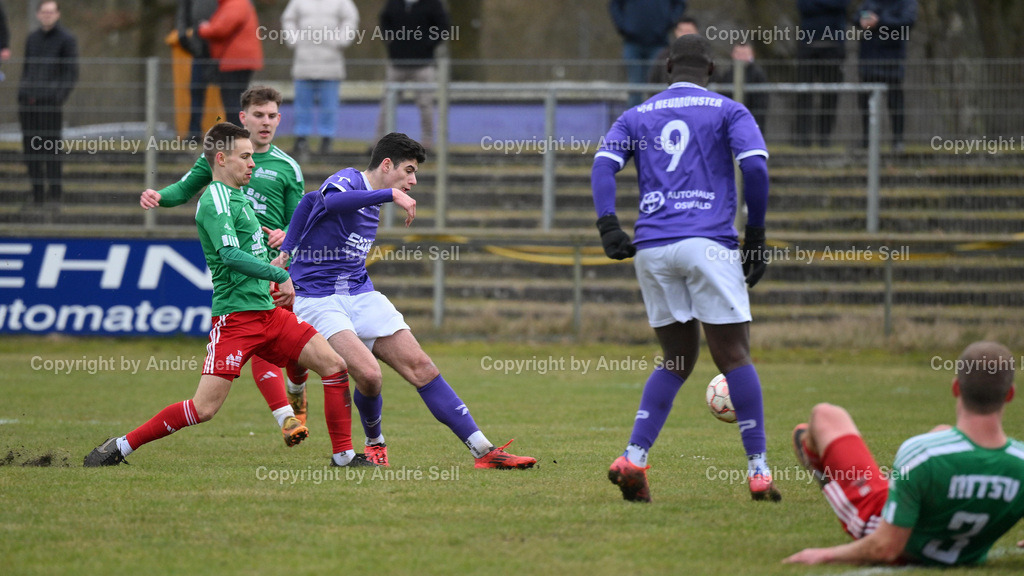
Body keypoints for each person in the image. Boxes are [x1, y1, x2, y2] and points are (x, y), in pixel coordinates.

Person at [85, 123, 372, 469]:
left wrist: (274, 264)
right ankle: (119, 446)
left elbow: (249, 251)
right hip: (236, 320)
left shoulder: (239, 197)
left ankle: (343, 456)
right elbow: (229, 256)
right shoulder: (215, 198)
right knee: (203, 409)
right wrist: (280, 274)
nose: (253, 163)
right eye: (246, 157)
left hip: (269, 314)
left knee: (335, 365)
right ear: (221, 159)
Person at [273, 132, 537, 470]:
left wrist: (286, 251)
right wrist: (390, 193)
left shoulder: (372, 200)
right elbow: (328, 201)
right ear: (387, 165)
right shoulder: (349, 179)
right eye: (408, 171)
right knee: (370, 376)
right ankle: (373, 443)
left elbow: (309, 201)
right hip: (318, 299)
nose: (412, 180)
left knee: (422, 367)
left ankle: (484, 451)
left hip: (360, 293)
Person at [592, 35, 777, 502]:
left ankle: (634, 459)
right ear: (711, 69)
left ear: (667, 65)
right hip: (708, 242)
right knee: (734, 356)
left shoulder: (635, 115)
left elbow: (601, 166)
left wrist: (608, 224)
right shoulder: (729, 110)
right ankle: (759, 470)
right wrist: (755, 234)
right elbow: (754, 168)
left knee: (677, 360)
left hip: (653, 248)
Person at [140, 86, 310, 447]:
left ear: (279, 119)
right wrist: (160, 196)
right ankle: (287, 417)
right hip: (246, 269)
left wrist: (286, 240)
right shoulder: (220, 158)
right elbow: (185, 189)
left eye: (272, 116)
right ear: (243, 118)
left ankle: (296, 394)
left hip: (275, 264)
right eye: (258, 115)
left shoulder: (287, 167)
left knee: (294, 353)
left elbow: (300, 221)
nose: (265, 122)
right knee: (262, 335)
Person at [784, 341, 1024, 566]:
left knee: (825, 415)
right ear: (1010, 394)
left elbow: (885, 547)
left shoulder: (921, 453)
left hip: (884, 521)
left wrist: (824, 554)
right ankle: (896, 481)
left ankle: (828, 477)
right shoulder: (1020, 462)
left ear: (956, 387)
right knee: (942, 432)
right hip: (961, 540)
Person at [17, 1, 78, 208]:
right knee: (30, 150)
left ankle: (54, 195)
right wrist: (23, 93)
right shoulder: (32, 39)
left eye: (51, 12)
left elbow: (71, 73)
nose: (47, 15)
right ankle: (37, 195)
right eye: (44, 12)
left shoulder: (67, 40)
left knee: (50, 149)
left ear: (58, 14)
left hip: (50, 104)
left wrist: (57, 97)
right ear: (38, 14)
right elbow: (27, 68)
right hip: (28, 103)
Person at [282, 0, 359, 158]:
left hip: (331, 64)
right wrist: (294, 39)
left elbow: (351, 18)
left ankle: (326, 141)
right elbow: (288, 19)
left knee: (329, 106)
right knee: (302, 105)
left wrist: (342, 39)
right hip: (304, 63)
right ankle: (301, 139)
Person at [373, 0, 450, 151]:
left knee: (426, 103)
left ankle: (427, 143)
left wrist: (427, 45)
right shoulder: (393, 3)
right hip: (396, 63)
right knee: (388, 103)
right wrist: (391, 42)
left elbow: (443, 27)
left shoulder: (433, 4)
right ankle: (378, 143)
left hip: (423, 64)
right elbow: (384, 20)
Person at [856, 0, 917, 152]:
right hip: (869, 58)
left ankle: (897, 140)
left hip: (893, 59)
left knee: (895, 102)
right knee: (866, 103)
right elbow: (858, 15)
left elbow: (907, 21)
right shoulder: (870, 2)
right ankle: (867, 139)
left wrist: (879, 21)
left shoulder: (906, 3)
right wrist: (864, 19)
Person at [609, 0, 687, 108]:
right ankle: (635, 123)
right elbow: (614, 5)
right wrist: (623, 27)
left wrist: (669, 22)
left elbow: (680, 4)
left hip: (659, 43)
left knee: (658, 88)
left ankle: (657, 121)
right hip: (632, 43)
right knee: (635, 89)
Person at [198, 0, 263, 128]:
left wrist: (204, 28)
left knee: (232, 100)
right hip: (238, 59)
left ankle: (236, 133)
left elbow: (221, 29)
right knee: (237, 99)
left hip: (235, 60)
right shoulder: (234, 4)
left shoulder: (235, 4)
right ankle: (238, 132)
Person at [794, 0, 849, 148]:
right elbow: (803, 6)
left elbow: (841, 5)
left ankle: (825, 138)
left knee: (830, 96)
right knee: (804, 94)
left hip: (833, 46)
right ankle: (803, 138)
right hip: (807, 45)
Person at [176, 0, 218, 141]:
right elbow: (183, 14)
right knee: (196, 90)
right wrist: (183, 36)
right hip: (200, 50)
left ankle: (231, 131)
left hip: (222, 50)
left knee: (228, 93)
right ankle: (194, 132)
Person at [714, 43, 769, 130]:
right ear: (732, 55)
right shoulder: (727, 75)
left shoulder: (758, 75)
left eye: (744, 54)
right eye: (738, 54)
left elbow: (761, 103)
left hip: (752, 121)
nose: (741, 57)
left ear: (752, 55)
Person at [646, 16, 699, 86]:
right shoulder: (664, 55)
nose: (685, 35)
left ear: (696, 32)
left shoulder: (706, 56)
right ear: (676, 32)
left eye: (688, 31)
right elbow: (653, 82)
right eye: (682, 31)